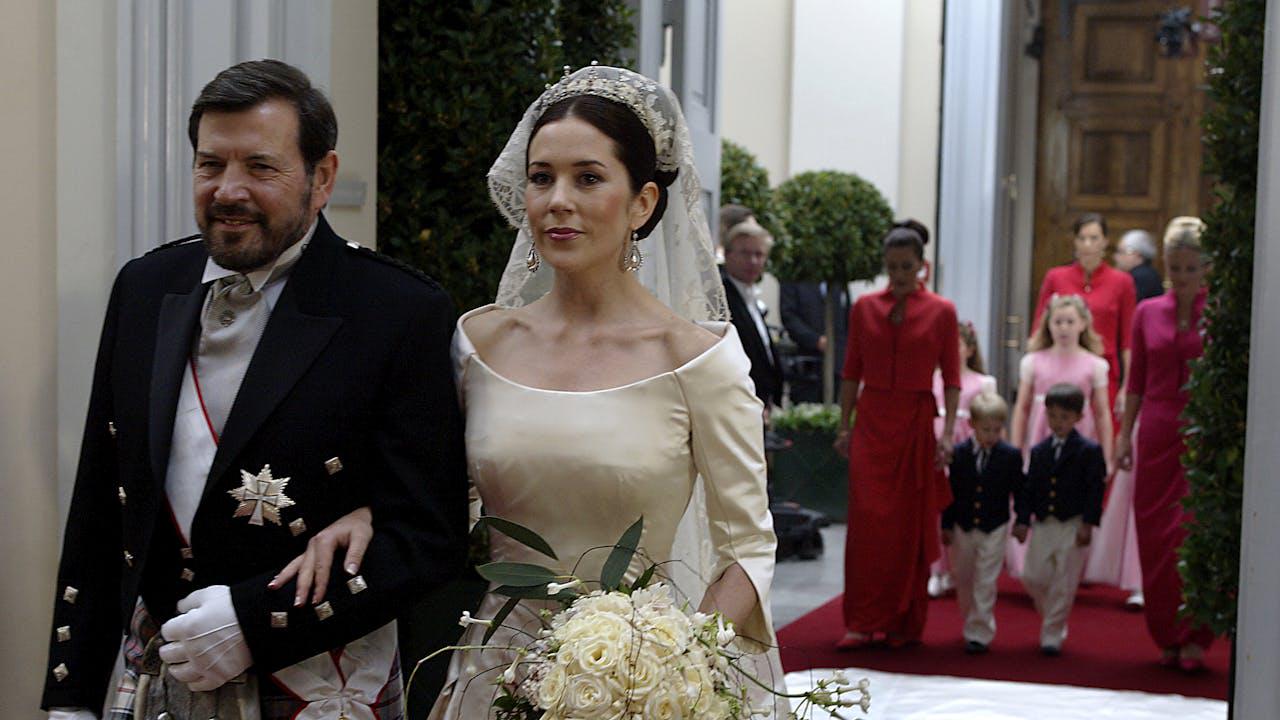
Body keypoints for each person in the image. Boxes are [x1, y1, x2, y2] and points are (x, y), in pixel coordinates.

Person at [40, 60, 468, 720]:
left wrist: (254, 622)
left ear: (322, 177)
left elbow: (426, 538)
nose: (228, 190)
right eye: (211, 165)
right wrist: (71, 698)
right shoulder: (146, 287)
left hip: (320, 682)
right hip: (154, 678)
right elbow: (102, 503)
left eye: (260, 167)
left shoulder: (398, 310)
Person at [834, 219, 960, 649]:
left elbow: (953, 378)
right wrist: (844, 424)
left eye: (907, 266)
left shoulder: (942, 311)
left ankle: (903, 623)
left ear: (921, 265)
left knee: (907, 528)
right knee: (867, 526)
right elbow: (851, 371)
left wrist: (947, 435)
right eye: (892, 267)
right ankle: (861, 621)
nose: (900, 274)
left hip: (915, 425)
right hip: (872, 424)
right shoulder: (865, 307)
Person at [1115, 216, 1216, 672]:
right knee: (1155, 537)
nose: (1182, 276)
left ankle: (1195, 636)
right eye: (1175, 267)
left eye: (1191, 268)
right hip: (1155, 429)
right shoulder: (1147, 311)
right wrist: (1124, 436)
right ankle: (1166, 635)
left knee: (1191, 533)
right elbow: (1135, 381)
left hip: (1201, 433)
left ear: (1206, 268)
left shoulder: (1219, 312)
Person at [1013, 383, 1106, 656]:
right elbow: (1030, 488)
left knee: (1064, 581)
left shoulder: (1088, 451)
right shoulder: (1039, 450)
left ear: (1078, 417)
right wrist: (1022, 519)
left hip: (1072, 523)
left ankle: (1052, 634)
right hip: (1044, 522)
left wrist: (1088, 523)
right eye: (1052, 416)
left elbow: (1095, 489)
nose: (1058, 422)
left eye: (1064, 417)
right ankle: (1053, 617)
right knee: (1032, 576)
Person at [941, 392, 1025, 655]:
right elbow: (951, 493)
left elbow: (1020, 491)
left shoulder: (1010, 455)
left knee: (986, 580)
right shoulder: (959, 454)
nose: (991, 435)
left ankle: (979, 632)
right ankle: (971, 618)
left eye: (996, 430)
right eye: (985, 429)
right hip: (963, 525)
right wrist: (946, 525)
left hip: (994, 526)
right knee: (964, 577)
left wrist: (1022, 520)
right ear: (972, 425)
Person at [928, 321, 998, 597]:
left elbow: (990, 416)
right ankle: (936, 569)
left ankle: (959, 567)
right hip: (935, 445)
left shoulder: (983, 382)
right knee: (936, 507)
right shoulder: (931, 377)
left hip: (966, 446)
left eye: (956, 344)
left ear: (969, 349)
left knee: (960, 505)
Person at [721, 215, 785, 408]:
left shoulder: (750, 296)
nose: (753, 261)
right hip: (737, 403)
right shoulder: (720, 298)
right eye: (745, 253)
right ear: (727, 254)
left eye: (759, 254)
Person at [780, 279, 849, 404]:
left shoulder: (838, 280)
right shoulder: (793, 278)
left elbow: (846, 317)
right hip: (807, 367)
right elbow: (788, 316)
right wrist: (815, 340)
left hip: (836, 364)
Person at [1114, 229, 1164, 301]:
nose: (1115, 257)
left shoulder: (1140, 277)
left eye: (1121, 252)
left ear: (1136, 254)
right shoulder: (1147, 273)